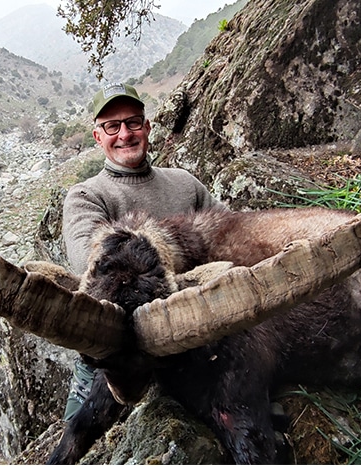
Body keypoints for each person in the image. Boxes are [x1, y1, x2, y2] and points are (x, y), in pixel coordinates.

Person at [61, 82, 226, 420]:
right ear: (98, 137)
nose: (125, 134)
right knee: (79, 433)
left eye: (133, 122)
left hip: (193, 331)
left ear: (147, 127)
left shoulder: (184, 182)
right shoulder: (86, 196)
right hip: (118, 349)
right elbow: (91, 265)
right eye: (112, 126)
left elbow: (227, 232)